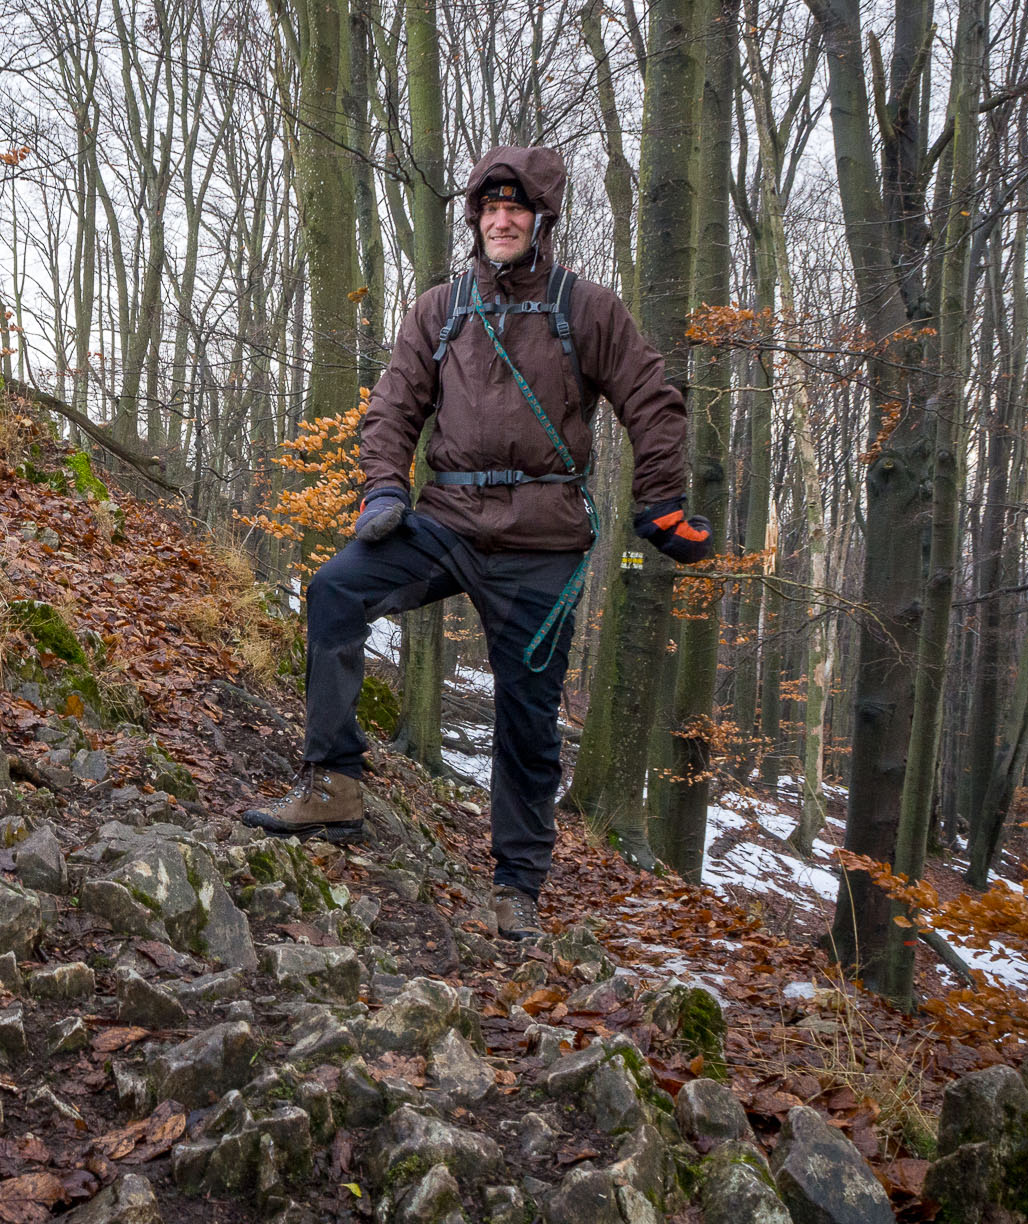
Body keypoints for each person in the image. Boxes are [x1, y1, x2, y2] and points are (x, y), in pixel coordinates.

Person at [241, 145, 711, 941]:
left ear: (541, 220)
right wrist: (385, 488)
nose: (501, 220)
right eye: (490, 209)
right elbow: (390, 409)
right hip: (446, 523)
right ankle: (335, 786)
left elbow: (652, 400)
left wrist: (660, 501)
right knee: (334, 590)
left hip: (543, 541)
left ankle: (517, 884)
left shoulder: (587, 309)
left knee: (526, 715)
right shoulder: (439, 309)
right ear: (475, 218)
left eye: (516, 209)